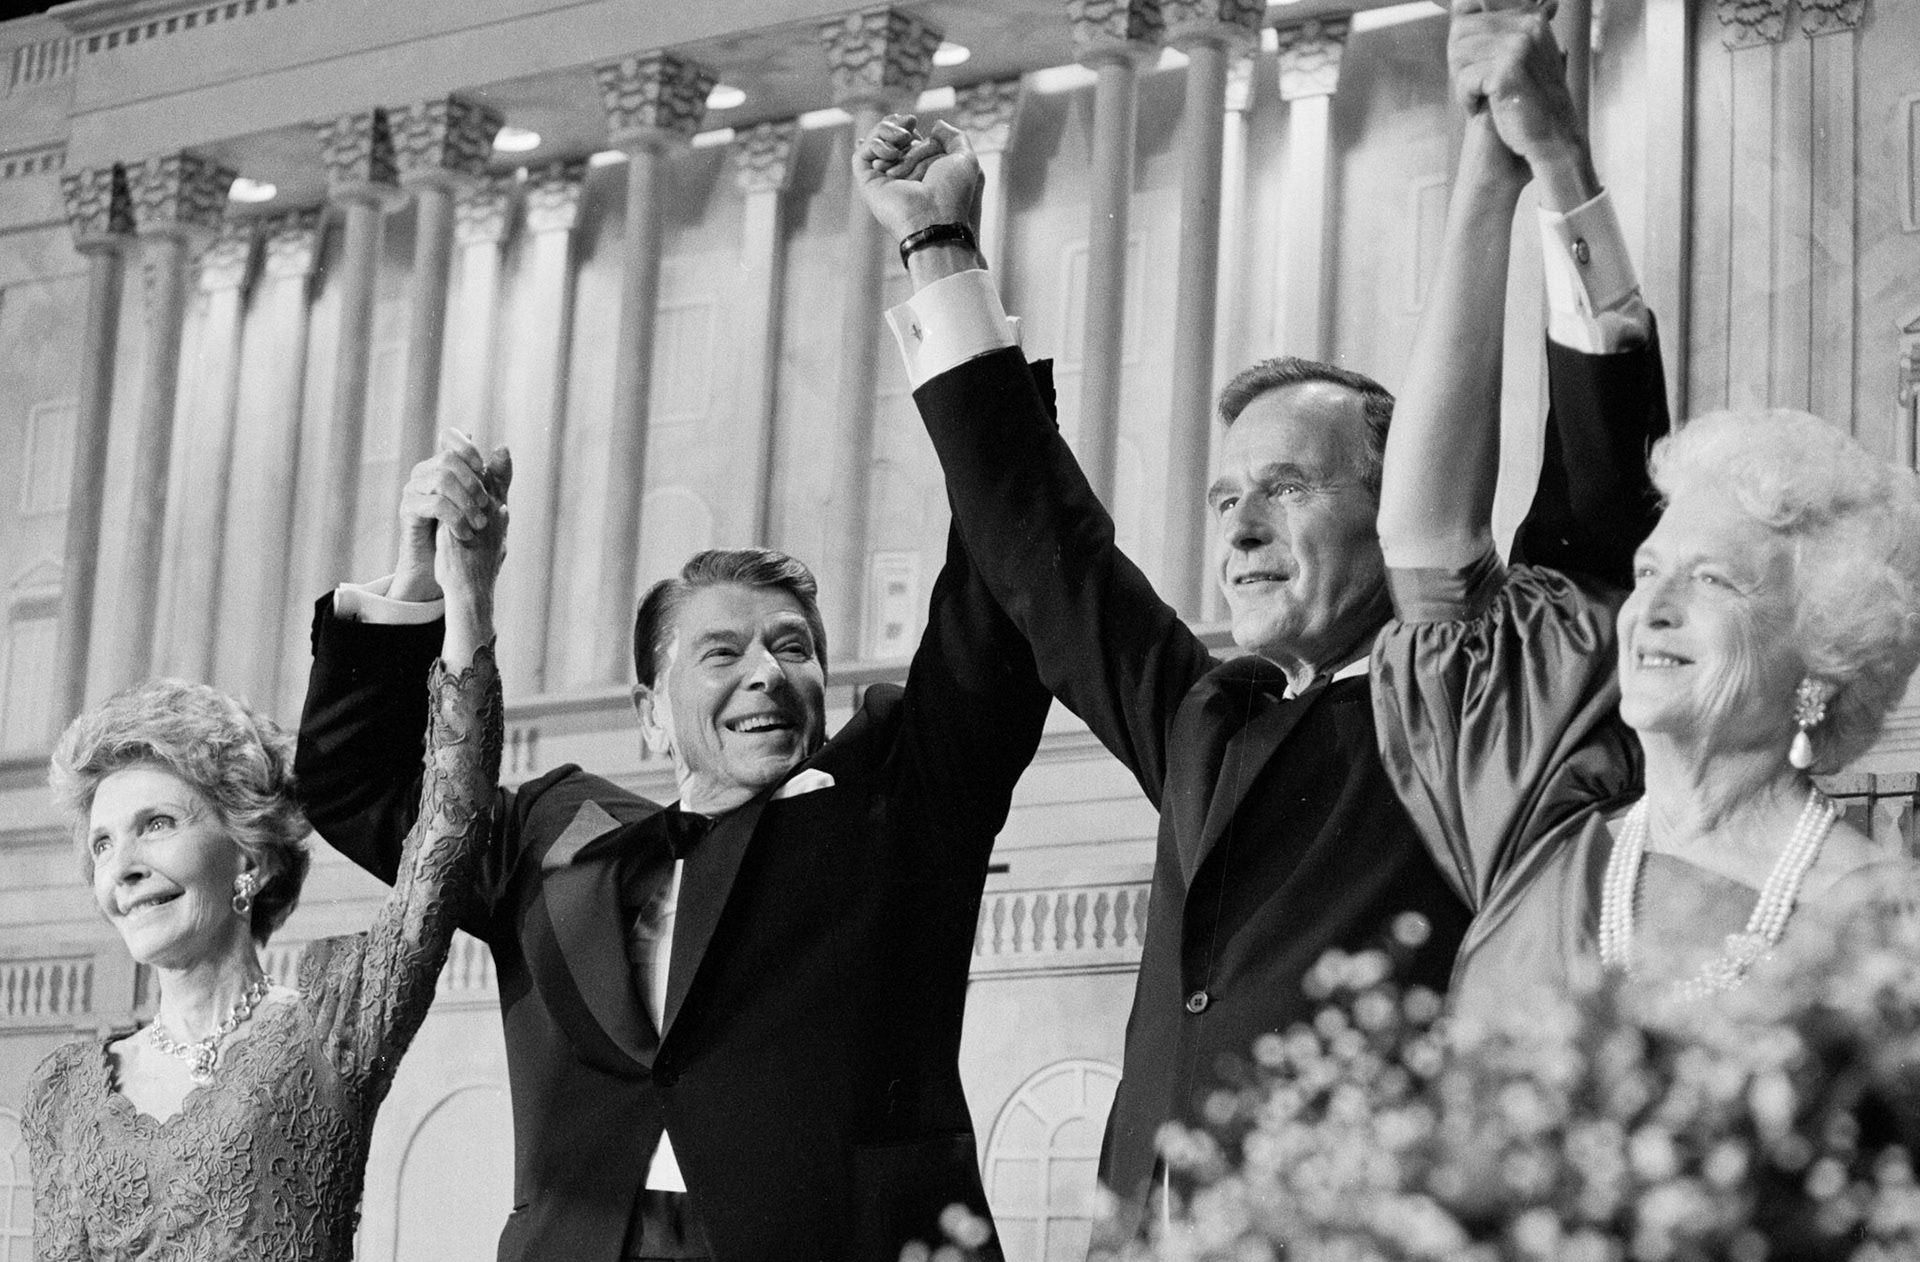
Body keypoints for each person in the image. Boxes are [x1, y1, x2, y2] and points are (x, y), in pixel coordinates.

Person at [852, 2, 1667, 1238]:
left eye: (1285, 489)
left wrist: (1554, 163)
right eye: (1227, 495)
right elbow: (1038, 541)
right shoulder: (1201, 715)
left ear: (1394, 501)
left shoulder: (1489, 703)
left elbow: (1602, 486)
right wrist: (939, 247)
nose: (1236, 530)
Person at [293, 428, 1053, 1257]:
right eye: (720, 652)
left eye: (791, 646)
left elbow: (991, 626)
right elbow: (358, 786)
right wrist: (427, 582)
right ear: (650, 713)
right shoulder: (555, 831)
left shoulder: (896, 813)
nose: (764, 671)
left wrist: (971, 357)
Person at [1372, 3, 1920, 1012]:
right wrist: (1509, 171)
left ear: (1822, 654)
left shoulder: (1883, 924)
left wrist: (1562, 157)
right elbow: (1425, 549)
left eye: (1708, 579)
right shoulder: (1539, 829)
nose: (1647, 605)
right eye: (1653, 570)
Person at [23, 447, 506, 1261]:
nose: (121, 868)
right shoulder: (64, 1087)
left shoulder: (338, 1017)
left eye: (156, 825)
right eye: (103, 843)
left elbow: (448, 835)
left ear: (248, 854)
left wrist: (458, 595)